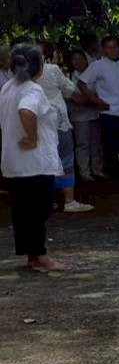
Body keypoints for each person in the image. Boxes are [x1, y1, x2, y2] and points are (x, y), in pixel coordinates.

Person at [2, 43, 66, 272]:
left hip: (14, 162)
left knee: (22, 212)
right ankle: (39, 256)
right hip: (34, 163)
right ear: (38, 67)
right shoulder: (31, 89)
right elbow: (26, 111)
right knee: (38, 211)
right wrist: (31, 137)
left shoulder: (8, 87)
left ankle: (32, 255)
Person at [36, 42, 93, 211]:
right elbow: (75, 95)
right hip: (58, 122)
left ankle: (47, 200)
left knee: (42, 163)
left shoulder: (22, 73)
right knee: (65, 160)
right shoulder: (53, 70)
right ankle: (69, 200)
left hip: (36, 123)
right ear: (52, 55)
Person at [79, 35, 119, 179]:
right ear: (104, 49)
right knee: (112, 146)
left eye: (115, 46)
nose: (112, 50)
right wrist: (95, 100)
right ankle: (115, 176)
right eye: (109, 47)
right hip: (111, 111)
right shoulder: (98, 65)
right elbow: (81, 83)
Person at [67, 50, 106, 182]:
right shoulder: (70, 78)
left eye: (80, 59)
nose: (78, 62)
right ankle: (84, 171)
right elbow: (77, 98)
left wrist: (93, 100)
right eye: (74, 59)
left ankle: (97, 169)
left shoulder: (93, 75)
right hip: (79, 117)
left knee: (96, 143)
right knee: (82, 143)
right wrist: (92, 100)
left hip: (95, 114)